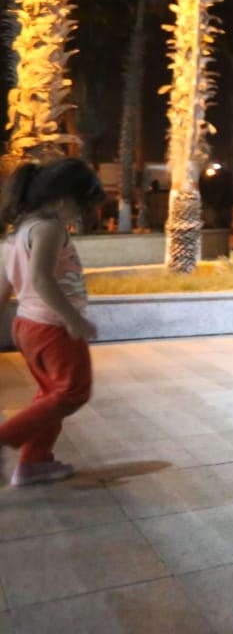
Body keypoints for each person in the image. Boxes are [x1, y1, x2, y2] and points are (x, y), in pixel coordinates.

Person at [0, 158, 105, 486]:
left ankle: (34, 462)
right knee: (73, 392)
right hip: (52, 327)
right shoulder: (48, 228)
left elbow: (4, 286)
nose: (80, 215)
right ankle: (5, 438)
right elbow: (41, 279)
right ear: (62, 199)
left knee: (51, 394)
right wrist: (73, 320)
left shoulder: (16, 233)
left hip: (27, 326)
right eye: (81, 206)